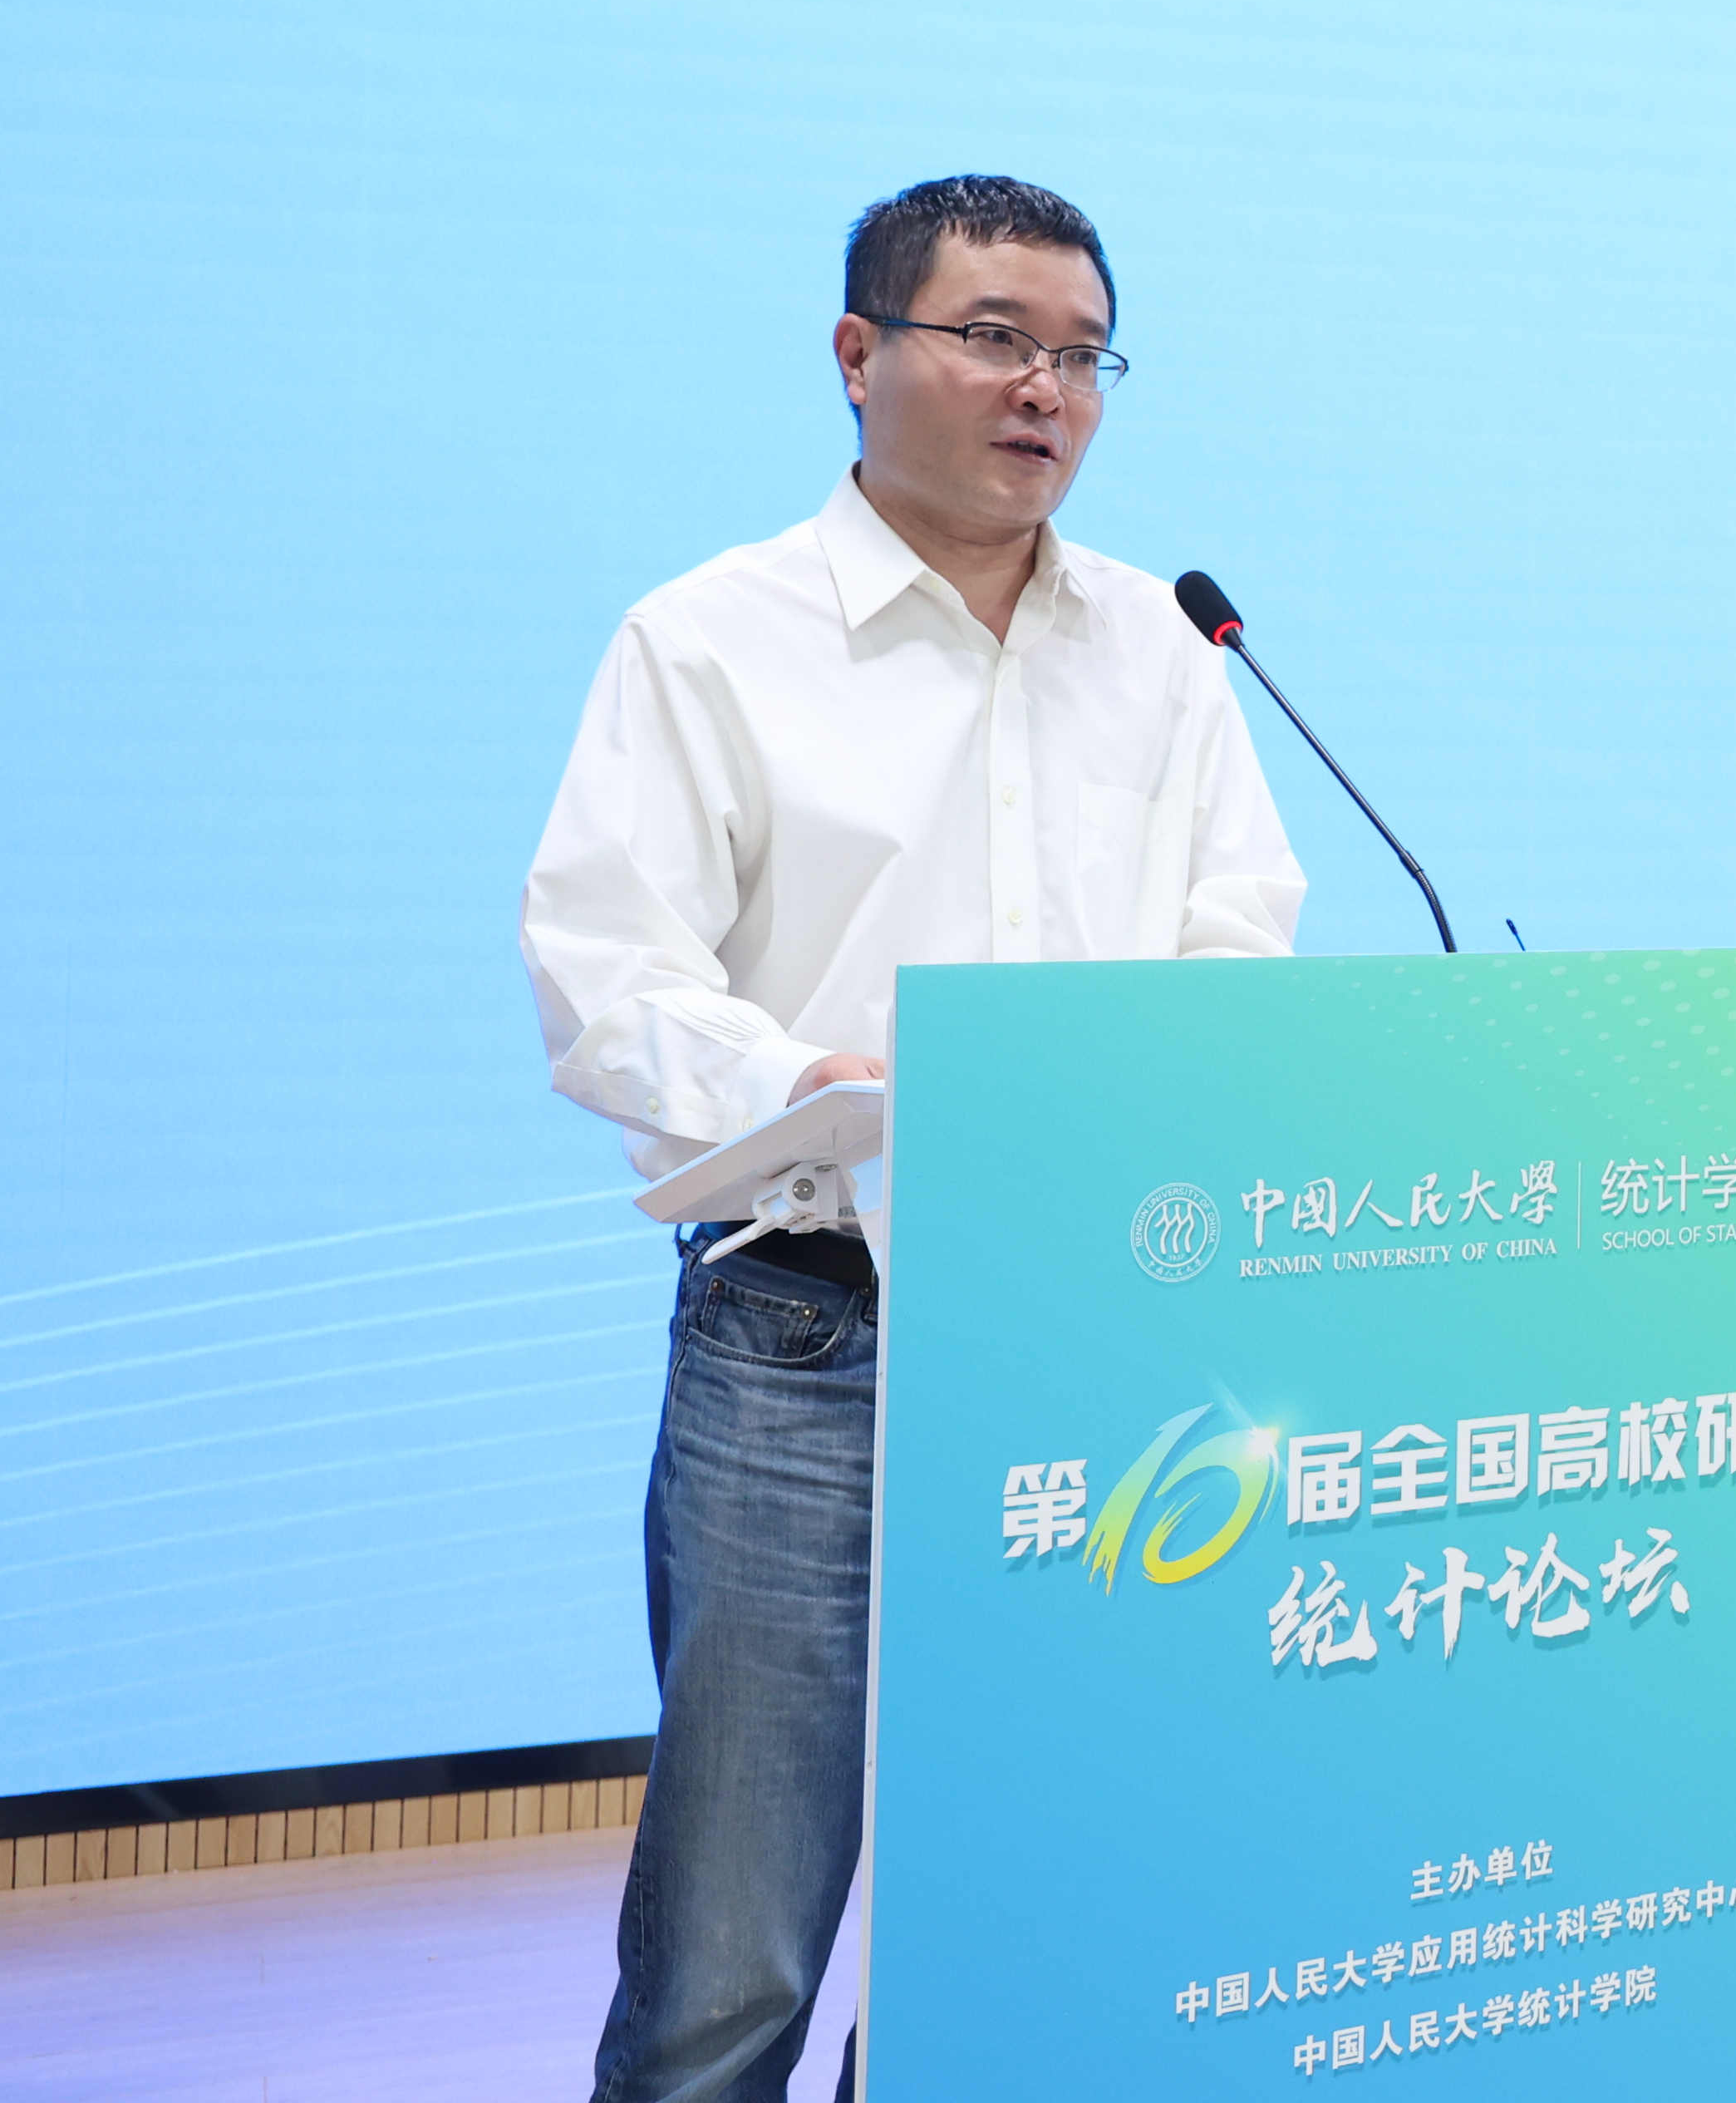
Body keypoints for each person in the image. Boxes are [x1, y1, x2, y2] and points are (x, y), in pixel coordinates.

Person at [523, 175, 1304, 2102]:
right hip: (816, 1332)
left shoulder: (1163, 646)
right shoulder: (712, 639)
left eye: (1085, 357)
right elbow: (609, 975)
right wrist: (810, 1085)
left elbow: (1237, 934)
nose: (1048, 391)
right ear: (860, 354)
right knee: (733, 1956)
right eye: (997, 340)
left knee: (1022, 1928)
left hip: (1098, 1338)